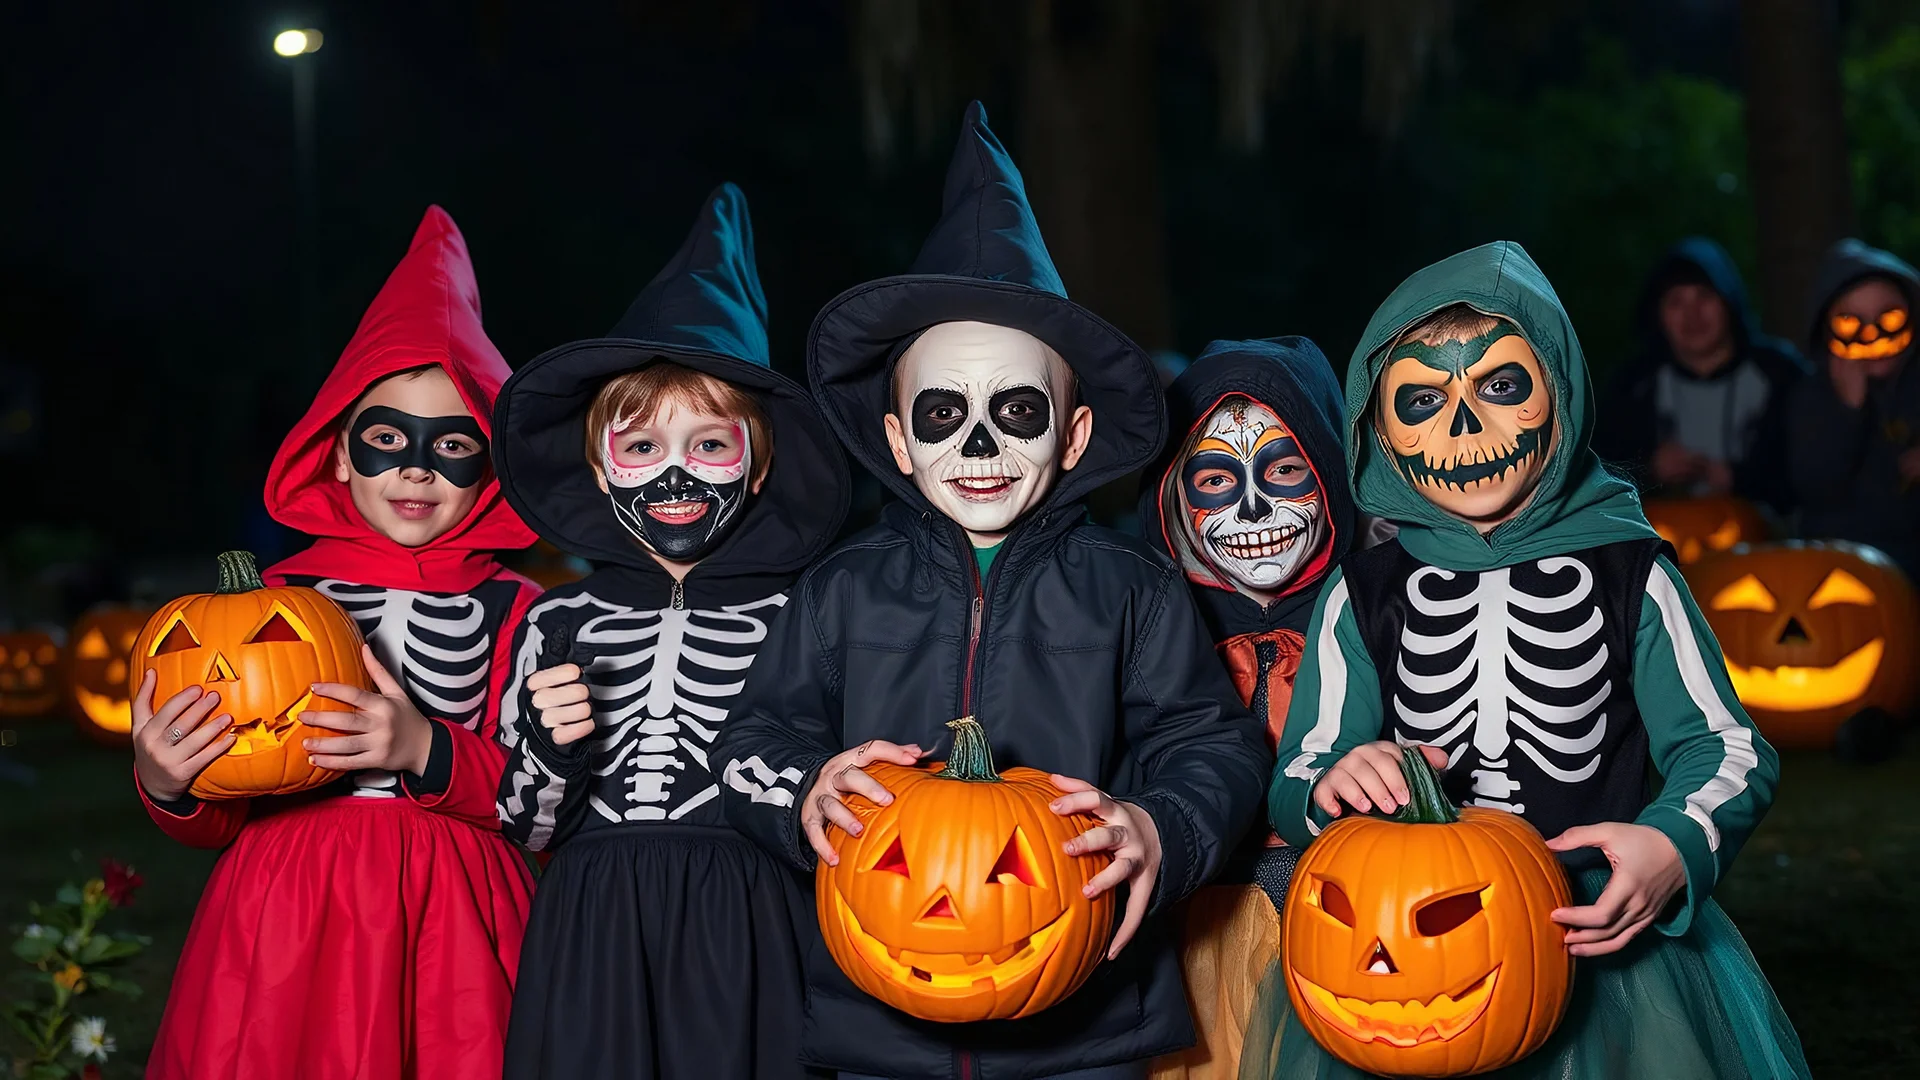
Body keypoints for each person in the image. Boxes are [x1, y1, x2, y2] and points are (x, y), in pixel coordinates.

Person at [713, 103, 1272, 1080]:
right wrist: (803, 789)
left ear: (1074, 437)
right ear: (898, 442)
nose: (979, 448)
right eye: (943, 414)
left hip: (1087, 1018)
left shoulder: (1131, 588)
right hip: (875, 1020)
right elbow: (749, 743)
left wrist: (1158, 828)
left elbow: (1210, 748)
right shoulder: (841, 589)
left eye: (1016, 412)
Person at [1258, 241, 1809, 1078]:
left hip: (1605, 937)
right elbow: (1301, 769)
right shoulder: (1365, 592)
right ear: (1377, 428)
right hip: (1409, 933)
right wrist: (1330, 785)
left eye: (1502, 386)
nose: (1465, 427)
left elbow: (1725, 746)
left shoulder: (1633, 573)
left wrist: (1677, 842)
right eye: (1423, 400)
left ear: (1562, 396)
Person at [131, 207, 541, 1079]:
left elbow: (545, 797)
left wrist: (424, 748)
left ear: (495, 463)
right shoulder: (271, 600)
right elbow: (223, 806)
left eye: (453, 445)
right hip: (285, 904)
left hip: (457, 910)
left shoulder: (523, 608)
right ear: (340, 455)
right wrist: (170, 784)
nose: (415, 470)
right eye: (386, 441)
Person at [491, 185, 849, 1080]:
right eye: (641, 446)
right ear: (601, 471)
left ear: (758, 463)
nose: (675, 473)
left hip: (750, 916)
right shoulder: (558, 617)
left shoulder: (803, 610)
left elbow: (826, 801)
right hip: (591, 918)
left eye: (710, 444)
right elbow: (526, 825)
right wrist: (548, 748)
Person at [1136, 338, 1356, 1079]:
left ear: (1330, 473)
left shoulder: (1383, 616)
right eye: (1216, 478)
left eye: (1286, 469)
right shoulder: (1140, 629)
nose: (1253, 507)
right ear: (1173, 490)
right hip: (1190, 942)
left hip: (1359, 932)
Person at [1594, 237, 1804, 512]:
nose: (1692, 315)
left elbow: (1814, 472)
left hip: (1769, 541)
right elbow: (1597, 474)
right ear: (1658, 315)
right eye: (1676, 302)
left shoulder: (1781, 375)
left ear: (1728, 301)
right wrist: (1650, 470)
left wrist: (1739, 480)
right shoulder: (1632, 385)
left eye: (1704, 297)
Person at [1788, 239, 1920, 575]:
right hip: (1842, 562)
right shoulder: (1810, 395)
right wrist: (1847, 408)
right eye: (1851, 322)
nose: (1872, 335)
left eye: (1887, 319)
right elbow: (1813, 488)